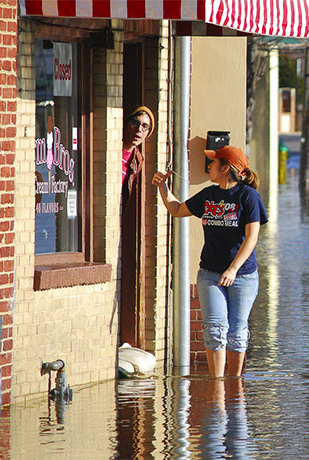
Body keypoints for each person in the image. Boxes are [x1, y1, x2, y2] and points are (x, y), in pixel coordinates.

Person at [152, 145, 268, 378]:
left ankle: (234, 384)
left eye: (213, 163)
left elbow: (252, 237)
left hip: (243, 275)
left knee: (236, 332)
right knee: (215, 329)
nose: (209, 167)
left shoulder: (248, 196)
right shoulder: (209, 195)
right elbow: (176, 209)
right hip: (210, 274)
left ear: (226, 168)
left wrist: (233, 269)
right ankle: (217, 386)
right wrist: (163, 187)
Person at [120, 106, 154, 347]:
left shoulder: (137, 159)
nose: (138, 130)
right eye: (135, 123)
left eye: (145, 127)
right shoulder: (113, 149)